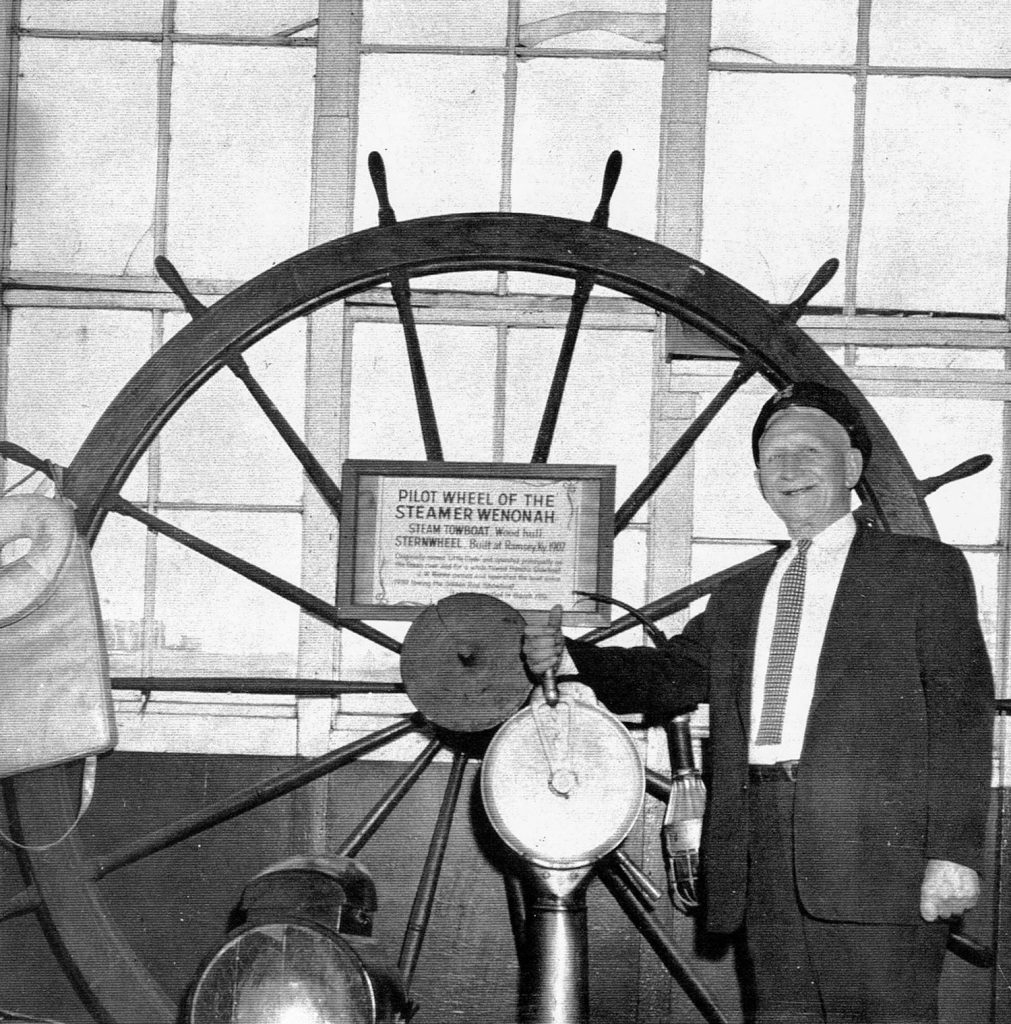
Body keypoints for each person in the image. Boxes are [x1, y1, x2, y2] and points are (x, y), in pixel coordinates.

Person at [523, 382, 994, 1024]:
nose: (790, 468)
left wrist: (954, 852)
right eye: (774, 457)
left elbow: (962, 717)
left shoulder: (922, 571)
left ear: (852, 468)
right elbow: (674, 674)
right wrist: (573, 656)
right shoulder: (743, 591)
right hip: (761, 862)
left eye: (809, 451)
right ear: (758, 480)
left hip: (880, 869)